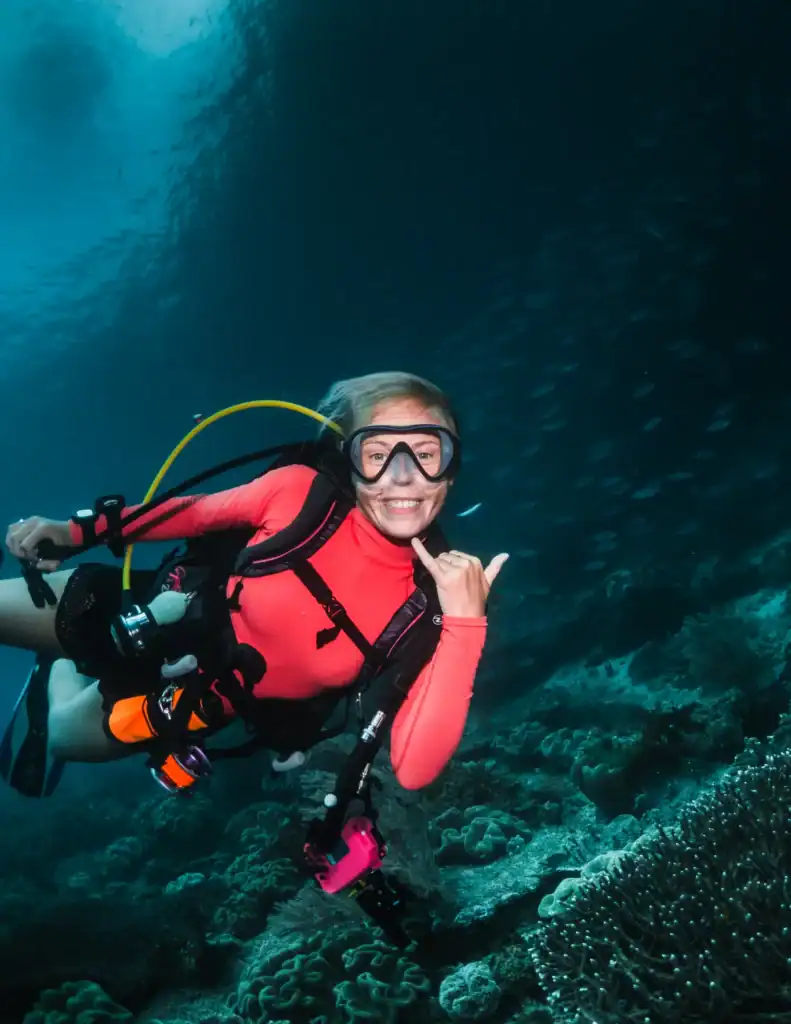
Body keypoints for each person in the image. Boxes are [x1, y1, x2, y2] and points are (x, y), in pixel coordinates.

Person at [1, 371, 508, 793]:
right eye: (377, 455)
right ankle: (71, 648)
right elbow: (194, 514)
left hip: (198, 698)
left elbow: (414, 770)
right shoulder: (298, 492)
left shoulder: (429, 603)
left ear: (452, 467)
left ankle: (55, 671)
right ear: (349, 462)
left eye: (426, 451)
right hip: (159, 605)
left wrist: (466, 624)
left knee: (62, 735)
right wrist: (75, 532)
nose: (403, 476)